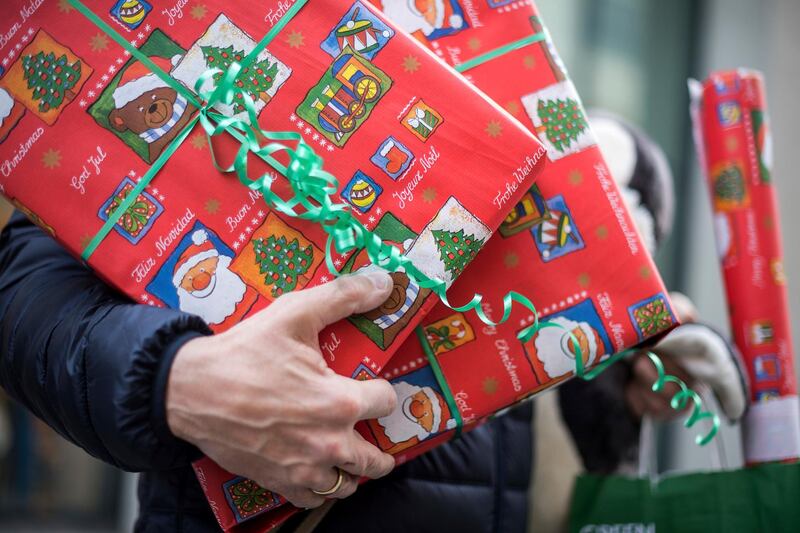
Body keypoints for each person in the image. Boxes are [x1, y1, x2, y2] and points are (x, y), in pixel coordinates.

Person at [0, 113, 745, 533]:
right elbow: (24, 292)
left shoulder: (532, 85)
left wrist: (616, 375)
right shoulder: (212, 53)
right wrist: (176, 378)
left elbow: (526, 388)